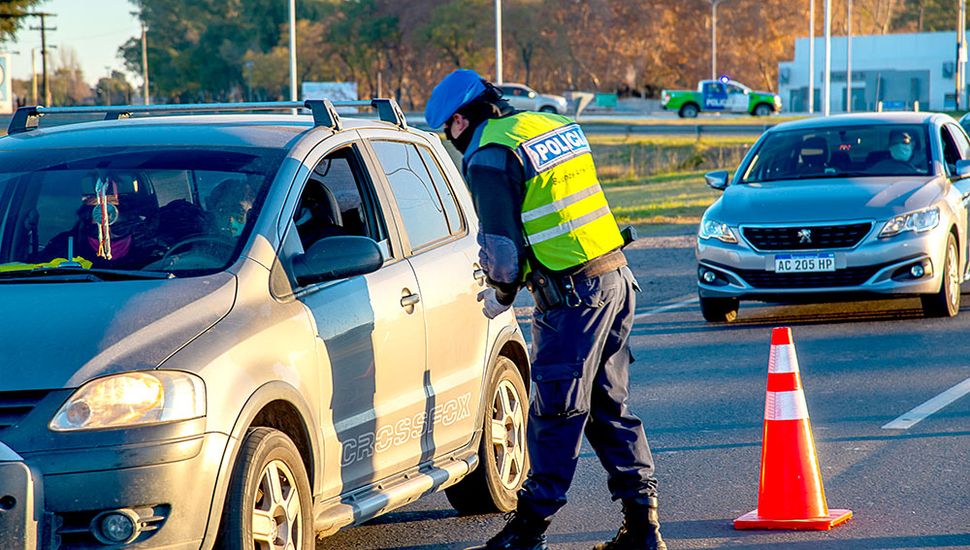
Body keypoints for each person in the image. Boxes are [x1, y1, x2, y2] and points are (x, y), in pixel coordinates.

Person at [425, 69, 665, 550]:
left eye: (446, 132)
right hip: (616, 280)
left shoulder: (491, 156)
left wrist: (501, 292)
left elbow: (503, 249)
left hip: (573, 297)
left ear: (458, 121)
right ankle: (643, 528)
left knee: (556, 411)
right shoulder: (547, 127)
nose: (451, 142)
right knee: (607, 408)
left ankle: (528, 532)